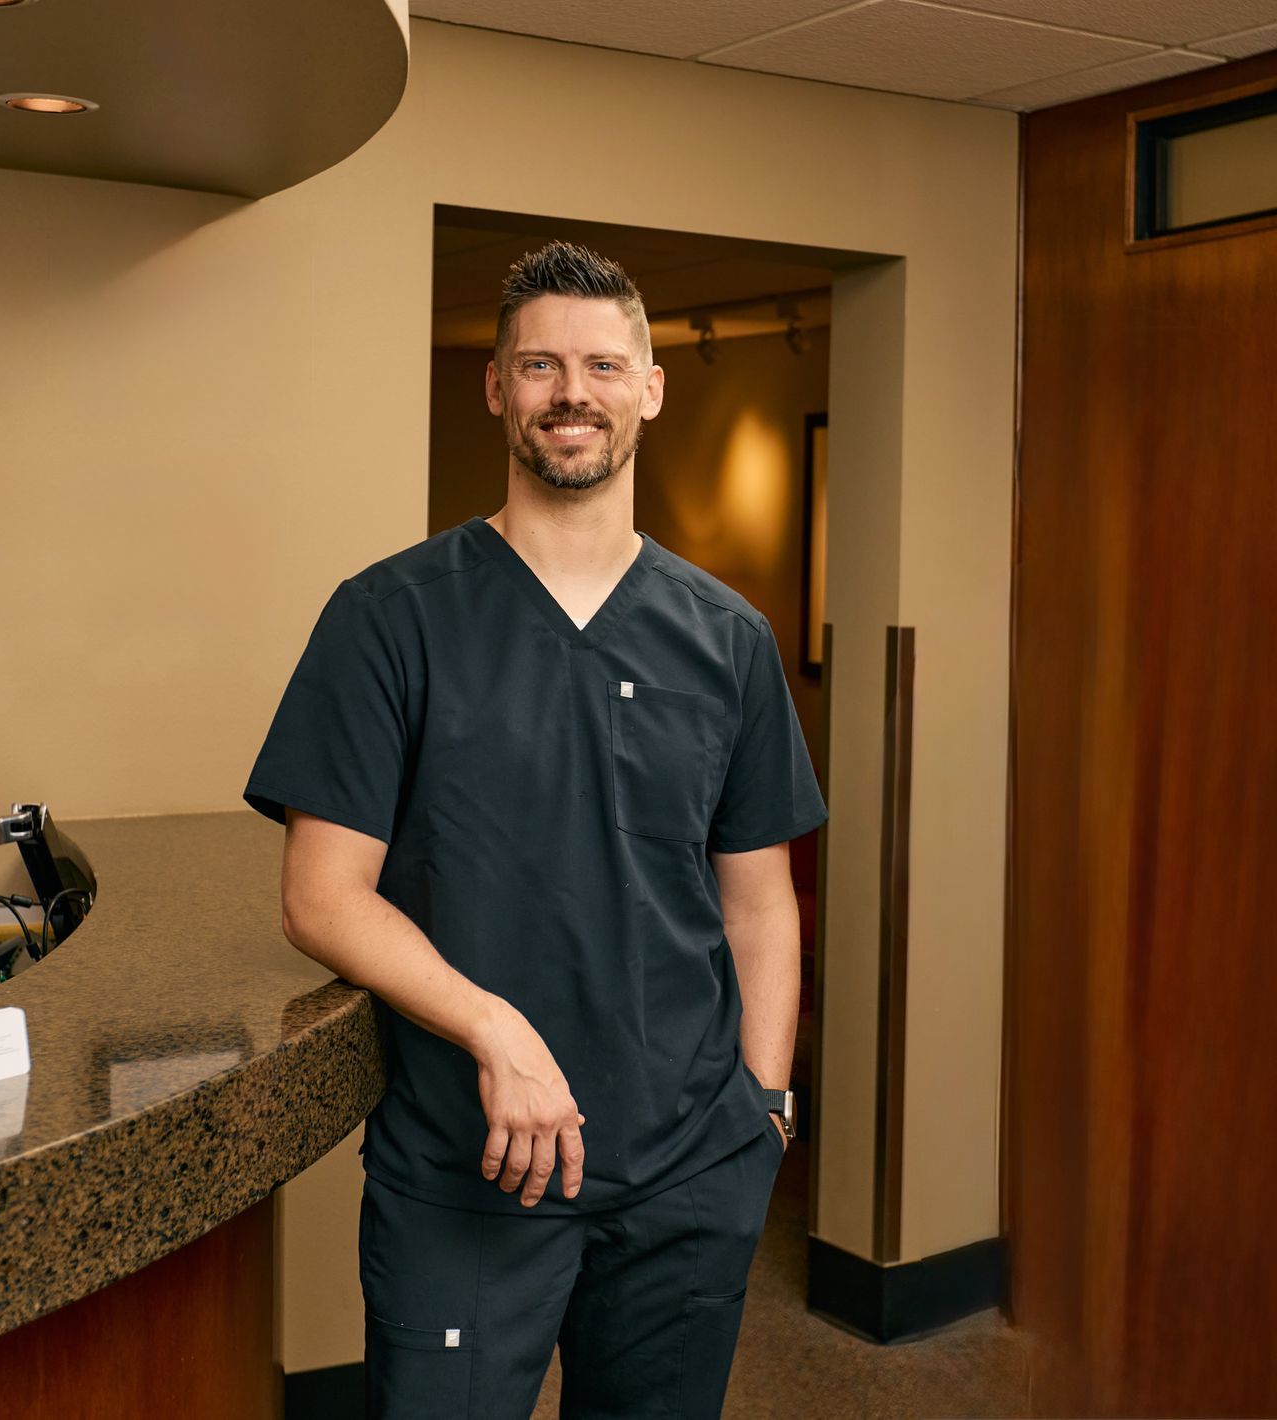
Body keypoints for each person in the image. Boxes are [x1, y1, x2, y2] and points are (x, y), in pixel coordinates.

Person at [244, 241, 827, 1418]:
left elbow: (758, 898)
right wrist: (493, 1027)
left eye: (604, 365)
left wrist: (763, 1108)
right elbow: (322, 895)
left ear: (651, 389)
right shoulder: (389, 619)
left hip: (687, 1174)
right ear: (498, 387)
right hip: (469, 1169)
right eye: (543, 365)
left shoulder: (727, 638)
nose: (575, 392)